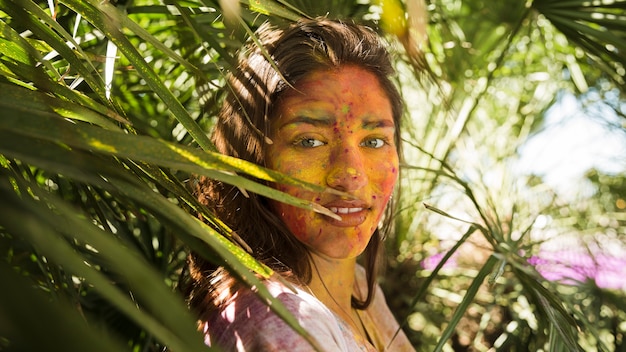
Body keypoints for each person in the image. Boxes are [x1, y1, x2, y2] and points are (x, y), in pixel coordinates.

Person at [182, 17, 415, 351]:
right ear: (253, 156)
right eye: (309, 141)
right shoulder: (284, 323)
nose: (351, 175)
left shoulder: (357, 287)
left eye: (374, 141)